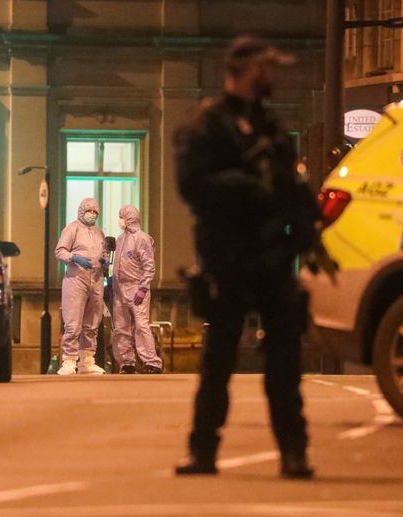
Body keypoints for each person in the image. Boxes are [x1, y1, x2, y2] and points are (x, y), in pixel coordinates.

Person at [172, 35, 319, 479]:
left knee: (285, 361)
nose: (275, 76)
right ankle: (203, 451)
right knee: (219, 359)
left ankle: (294, 452)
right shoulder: (207, 125)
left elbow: (291, 189)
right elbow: (191, 185)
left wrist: (308, 228)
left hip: (272, 256)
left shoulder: (270, 127)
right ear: (249, 70)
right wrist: (242, 186)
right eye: (268, 68)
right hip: (228, 256)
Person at [54, 197, 108, 375]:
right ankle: (69, 360)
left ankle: (87, 359)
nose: (92, 214)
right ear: (81, 211)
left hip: (97, 279)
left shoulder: (99, 232)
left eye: (95, 212)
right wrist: (74, 258)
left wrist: (104, 261)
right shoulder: (72, 229)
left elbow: (104, 252)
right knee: (73, 321)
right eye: (89, 211)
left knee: (92, 322)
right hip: (76, 279)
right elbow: (60, 251)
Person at [111, 205, 163, 374]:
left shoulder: (142, 239)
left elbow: (149, 266)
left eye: (122, 216)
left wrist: (143, 287)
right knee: (121, 327)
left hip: (136, 288)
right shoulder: (120, 240)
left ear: (130, 218)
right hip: (119, 290)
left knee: (141, 325)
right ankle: (126, 362)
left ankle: (151, 362)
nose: (120, 220)